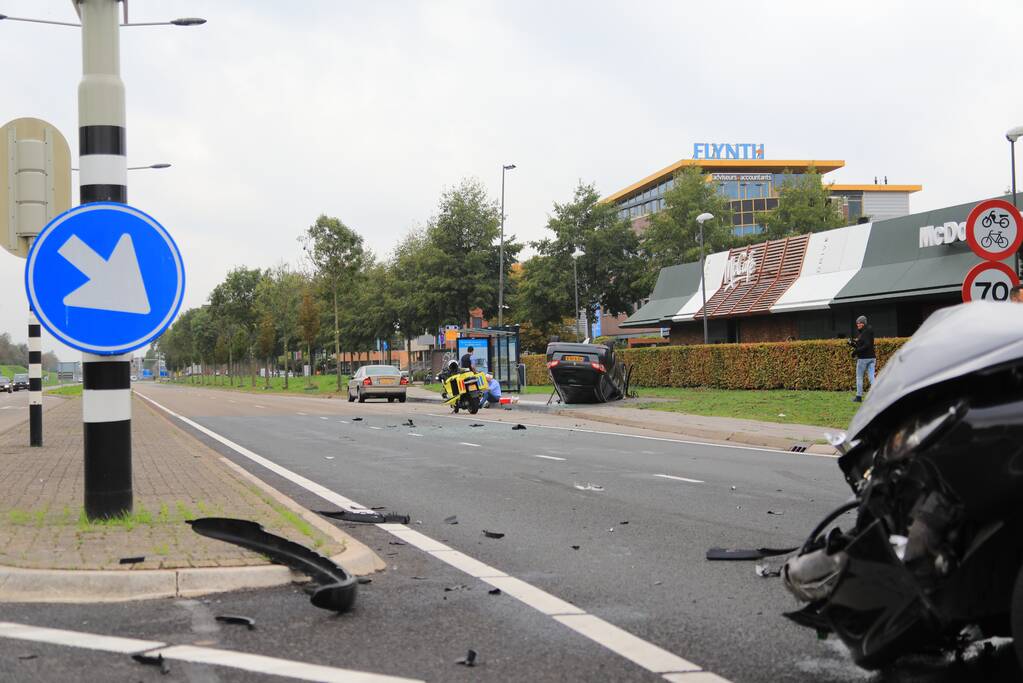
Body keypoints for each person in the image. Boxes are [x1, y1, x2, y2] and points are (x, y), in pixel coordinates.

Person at [851, 315, 875, 403]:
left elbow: (866, 345)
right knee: (871, 377)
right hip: (872, 357)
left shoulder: (865, 332)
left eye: (860, 323)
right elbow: (863, 344)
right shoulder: (867, 331)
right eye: (857, 323)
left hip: (863, 358)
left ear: (863, 323)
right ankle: (876, 395)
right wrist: (853, 344)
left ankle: (858, 397)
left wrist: (855, 352)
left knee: (859, 377)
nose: (858, 324)